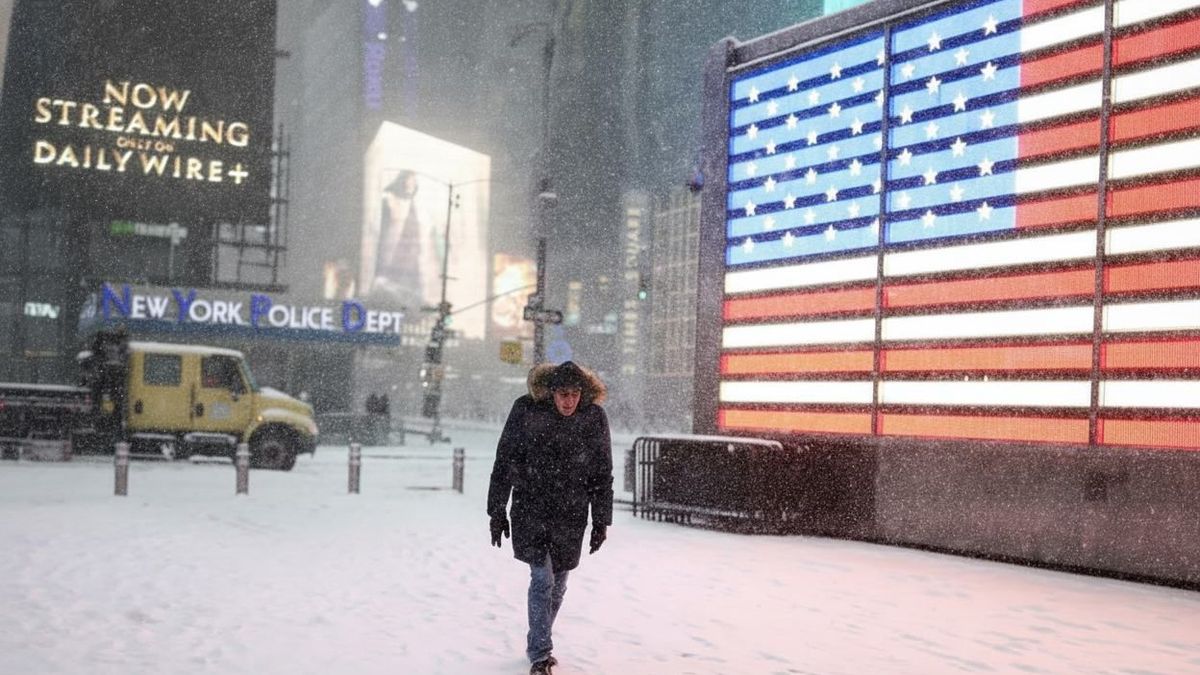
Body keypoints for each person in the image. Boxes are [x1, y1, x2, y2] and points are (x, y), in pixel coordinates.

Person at [487, 361, 613, 675]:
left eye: (574, 394)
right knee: (542, 580)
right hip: (531, 508)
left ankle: (536, 641)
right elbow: (504, 460)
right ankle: (541, 654)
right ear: (551, 392)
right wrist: (496, 511)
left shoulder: (593, 418)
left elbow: (602, 474)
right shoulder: (527, 410)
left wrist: (601, 521)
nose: (568, 401)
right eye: (562, 394)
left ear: (582, 394)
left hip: (571, 513)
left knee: (559, 585)